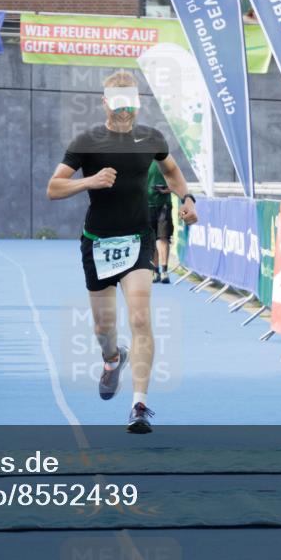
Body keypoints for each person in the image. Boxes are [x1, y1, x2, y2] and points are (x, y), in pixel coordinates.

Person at [47, 70, 198, 433]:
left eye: (130, 102)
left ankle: (139, 405)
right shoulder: (87, 141)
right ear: (105, 103)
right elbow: (54, 188)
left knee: (141, 318)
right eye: (117, 102)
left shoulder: (151, 138)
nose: (125, 109)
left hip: (137, 239)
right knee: (104, 327)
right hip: (98, 241)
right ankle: (112, 359)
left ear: (138, 103)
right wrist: (90, 180)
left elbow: (173, 171)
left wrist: (186, 198)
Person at [146, 160, 174, 284]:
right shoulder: (141, 159)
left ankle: (164, 271)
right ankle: (155, 271)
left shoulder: (166, 160)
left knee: (162, 237)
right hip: (146, 205)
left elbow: (176, 179)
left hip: (164, 205)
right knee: (152, 239)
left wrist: (170, 187)